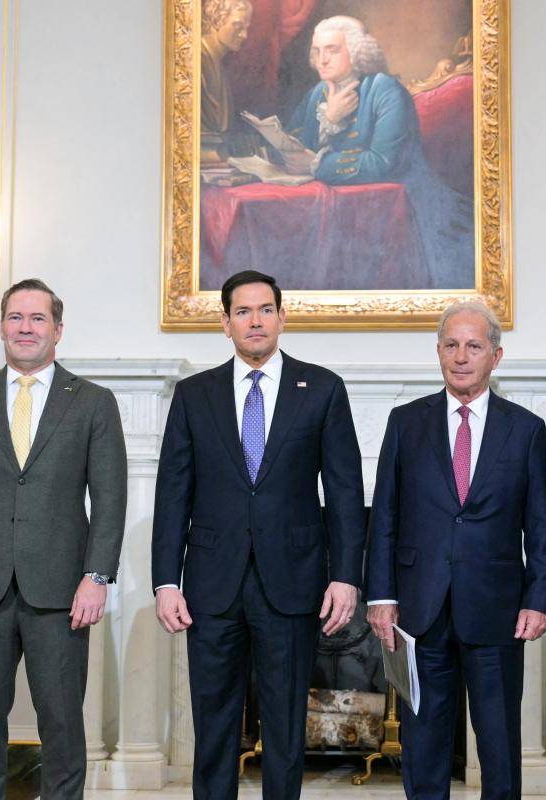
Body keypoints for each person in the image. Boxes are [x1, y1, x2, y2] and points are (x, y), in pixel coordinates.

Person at [151, 269, 364, 800]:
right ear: (225, 324)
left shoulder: (322, 389)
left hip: (291, 582)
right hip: (211, 584)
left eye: (265, 309)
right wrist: (165, 581)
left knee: (287, 725)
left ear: (282, 317)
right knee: (214, 723)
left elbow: (343, 492)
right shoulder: (193, 394)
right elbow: (172, 492)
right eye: (242, 312)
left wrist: (346, 577)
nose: (255, 320)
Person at [0, 279, 127, 800]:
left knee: (61, 724)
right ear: (1, 327)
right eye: (15, 317)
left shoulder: (93, 403)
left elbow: (109, 499)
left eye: (38, 319)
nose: (25, 328)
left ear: (58, 329)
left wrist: (96, 576)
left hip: (61, 592)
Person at [364, 300, 546, 800]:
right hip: (419, 609)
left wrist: (539, 598)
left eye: (474, 345)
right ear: (438, 352)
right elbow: (384, 514)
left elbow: (539, 524)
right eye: (451, 345)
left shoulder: (525, 429)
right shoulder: (405, 422)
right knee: (423, 739)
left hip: (496, 610)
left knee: (498, 741)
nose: (461, 356)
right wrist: (380, 595)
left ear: (496, 356)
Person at [284, 15, 474, 289]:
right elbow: (293, 142)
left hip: (409, 211)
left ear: (357, 51)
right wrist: (329, 119)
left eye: (332, 50)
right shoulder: (317, 94)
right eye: (317, 51)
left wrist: (315, 164)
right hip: (344, 210)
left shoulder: (385, 90)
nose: (322, 59)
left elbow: (382, 163)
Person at [200, 0, 254, 163]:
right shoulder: (197, 60)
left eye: (246, 28)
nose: (244, 35)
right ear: (217, 20)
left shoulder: (217, 64)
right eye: (238, 27)